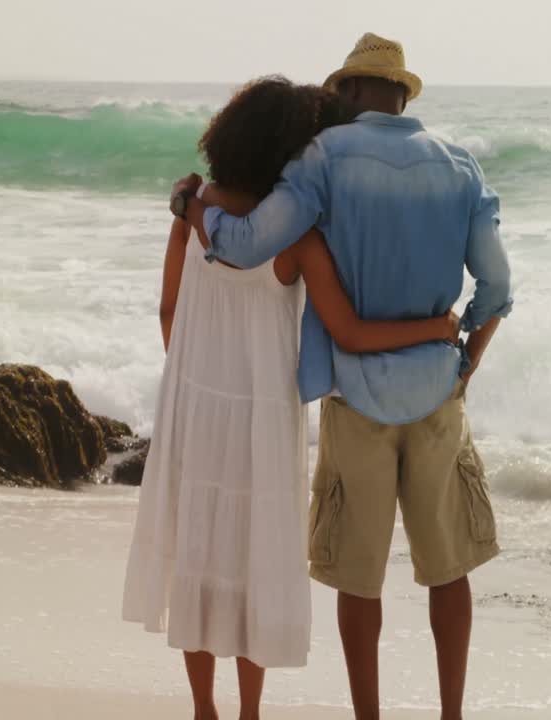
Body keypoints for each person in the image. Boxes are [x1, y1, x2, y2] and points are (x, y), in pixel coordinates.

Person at [175, 33, 513, 720]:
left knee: (360, 582)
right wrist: (465, 361)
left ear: (354, 90)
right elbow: (498, 287)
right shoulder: (459, 164)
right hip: (435, 392)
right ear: (401, 95)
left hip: (356, 395)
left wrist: (193, 207)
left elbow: (245, 245)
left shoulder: (323, 158)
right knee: (449, 572)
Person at [122, 77, 462, 720]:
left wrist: (194, 377)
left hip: (195, 407)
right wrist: (435, 328)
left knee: (199, 556)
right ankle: (250, 712)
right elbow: (349, 331)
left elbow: (168, 312)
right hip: (261, 418)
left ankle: (204, 708)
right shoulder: (297, 239)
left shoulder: (192, 211)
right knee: (249, 562)